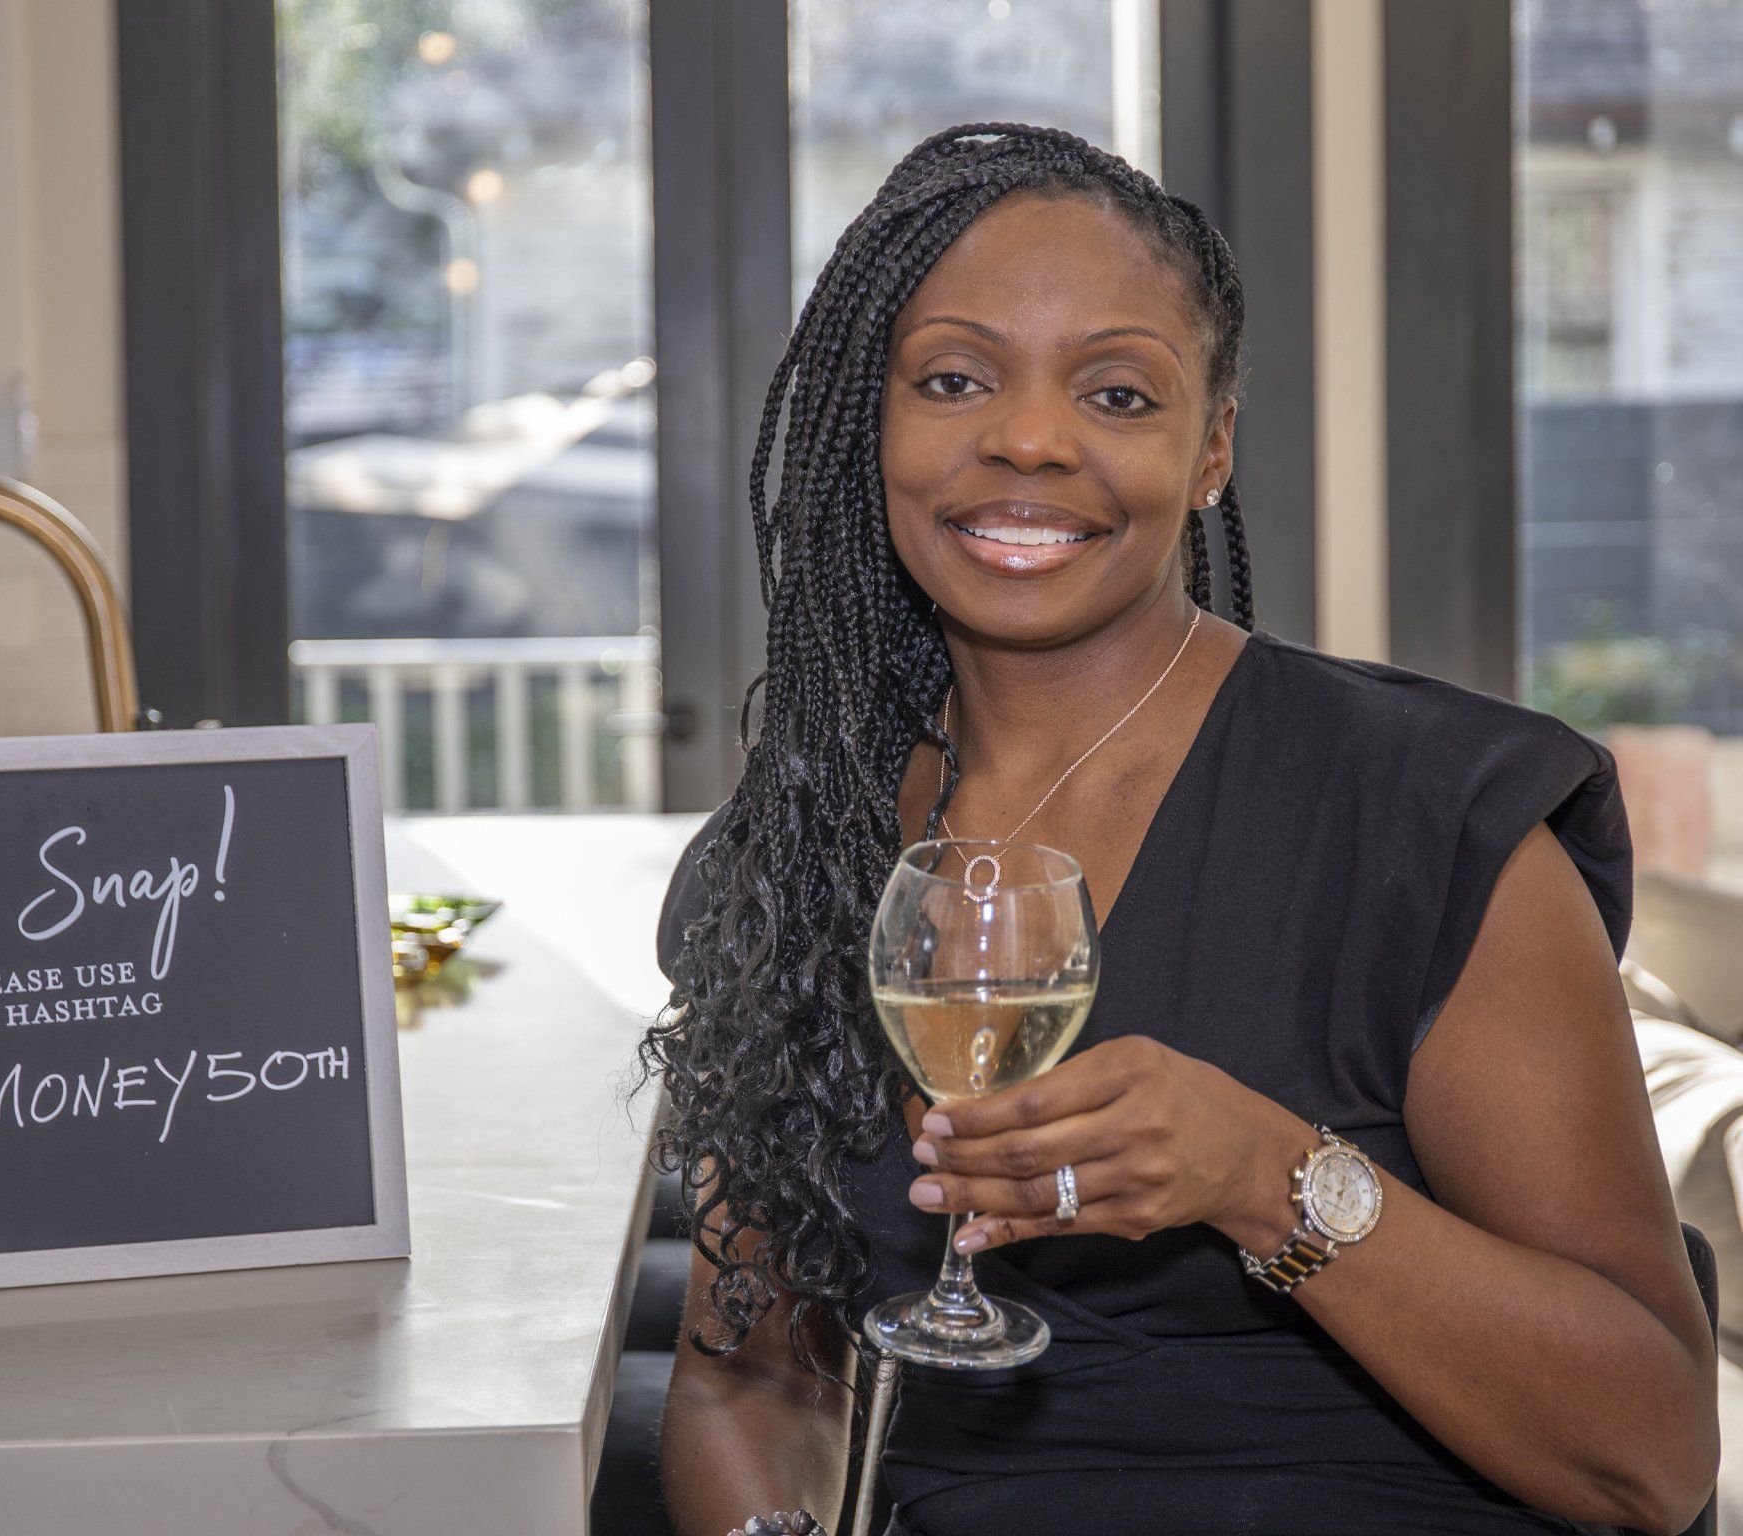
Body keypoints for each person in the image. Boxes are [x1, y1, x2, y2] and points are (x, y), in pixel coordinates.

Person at [630, 123, 1717, 1536]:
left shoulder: (1430, 822)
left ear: (1210, 450)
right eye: (954, 380)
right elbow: (751, 1385)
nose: (1029, 437)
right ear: (870, 428)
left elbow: (1651, 1454)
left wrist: (1266, 1179)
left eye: (1119, 392)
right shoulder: (792, 859)